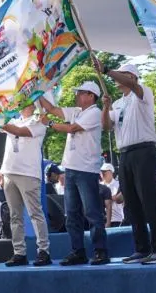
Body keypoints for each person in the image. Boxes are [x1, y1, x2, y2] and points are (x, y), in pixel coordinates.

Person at [37, 81, 108, 265]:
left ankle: (100, 251)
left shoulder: (94, 112)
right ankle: (78, 251)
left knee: (92, 212)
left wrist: (49, 123)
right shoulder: (77, 111)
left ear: (91, 96)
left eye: (81, 92)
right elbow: (52, 109)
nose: (77, 95)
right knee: (72, 214)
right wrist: (36, 94)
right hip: (70, 169)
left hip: (86, 169)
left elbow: (71, 128)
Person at [104, 63, 156, 264]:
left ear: (131, 76)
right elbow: (107, 126)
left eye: (121, 75)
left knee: (148, 199)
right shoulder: (117, 103)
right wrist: (105, 107)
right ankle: (141, 248)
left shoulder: (143, 92)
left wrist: (106, 70)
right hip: (124, 154)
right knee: (131, 204)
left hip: (143, 150)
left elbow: (133, 85)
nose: (116, 79)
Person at [0, 103, 52, 267]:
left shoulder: (39, 122)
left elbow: (19, 132)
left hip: (28, 173)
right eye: (21, 102)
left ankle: (43, 251)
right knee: (14, 215)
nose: (22, 104)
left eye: (27, 102)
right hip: (9, 172)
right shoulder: (13, 120)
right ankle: (19, 253)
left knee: (35, 213)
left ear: (33, 104)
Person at [44, 164, 66, 233]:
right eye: (57, 174)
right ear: (52, 174)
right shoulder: (48, 187)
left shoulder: (47, 186)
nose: (59, 176)